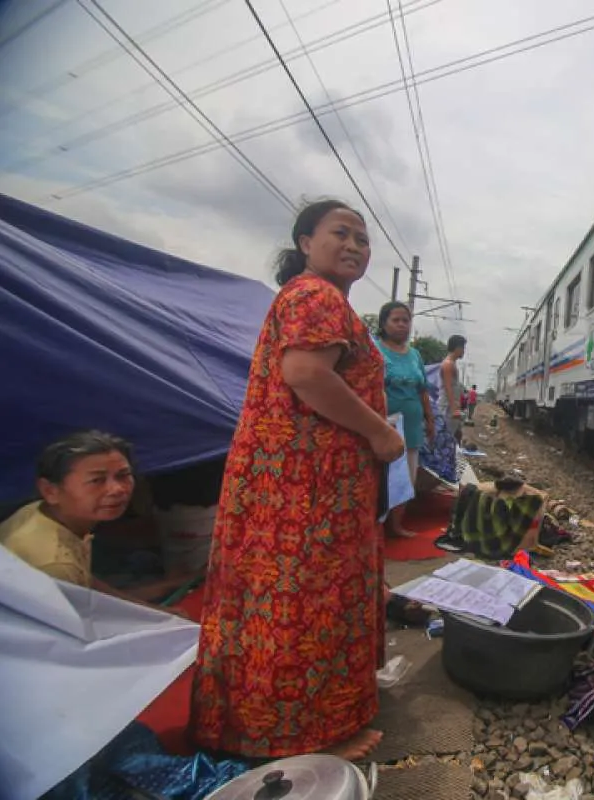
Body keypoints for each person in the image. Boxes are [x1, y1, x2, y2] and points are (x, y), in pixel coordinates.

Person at [189, 199, 404, 762]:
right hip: (306, 485)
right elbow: (306, 374)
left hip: (293, 480)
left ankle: (263, 725)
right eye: (342, 233)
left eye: (363, 238)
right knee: (306, 601)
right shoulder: (317, 295)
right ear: (306, 242)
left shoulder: (311, 297)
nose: (356, 245)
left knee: (274, 600)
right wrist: (380, 433)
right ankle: (302, 736)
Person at [0, 430, 189, 610]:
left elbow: (88, 586)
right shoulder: (53, 563)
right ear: (50, 491)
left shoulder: (44, 512)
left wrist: (160, 596)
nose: (117, 489)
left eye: (123, 476)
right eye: (97, 481)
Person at [373, 300, 435, 538]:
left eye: (406, 320)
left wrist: (429, 419)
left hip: (410, 425)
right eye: (396, 320)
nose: (402, 325)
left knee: (406, 476)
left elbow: (422, 390)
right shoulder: (375, 350)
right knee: (380, 476)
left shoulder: (415, 355)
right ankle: (375, 527)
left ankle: (397, 525)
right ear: (384, 323)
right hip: (383, 423)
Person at [420, 334, 466, 487]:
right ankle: (437, 474)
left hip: (449, 407)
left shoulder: (451, 363)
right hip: (446, 408)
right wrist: (454, 409)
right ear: (458, 347)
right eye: (463, 347)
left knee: (450, 440)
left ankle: (441, 474)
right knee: (443, 441)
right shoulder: (448, 365)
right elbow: (447, 387)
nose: (464, 351)